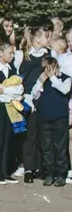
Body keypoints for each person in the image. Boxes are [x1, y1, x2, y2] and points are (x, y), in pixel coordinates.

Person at [18, 26, 52, 182]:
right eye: (47, 37)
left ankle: (40, 167)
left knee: (43, 133)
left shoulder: (49, 55)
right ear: (38, 39)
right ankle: (28, 168)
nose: (49, 40)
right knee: (30, 134)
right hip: (30, 99)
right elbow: (22, 78)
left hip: (45, 98)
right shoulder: (26, 56)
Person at [0, 43, 22, 184]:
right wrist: (11, 92)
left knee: (7, 139)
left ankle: (6, 172)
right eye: (10, 53)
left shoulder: (11, 68)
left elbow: (19, 89)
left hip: (10, 107)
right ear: (0, 53)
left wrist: (8, 91)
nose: (12, 56)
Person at [33, 57, 72, 187]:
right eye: (45, 68)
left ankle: (61, 174)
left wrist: (53, 78)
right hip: (44, 118)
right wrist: (40, 82)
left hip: (60, 118)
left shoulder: (66, 79)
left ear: (56, 67)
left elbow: (64, 90)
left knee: (60, 148)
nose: (47, 71)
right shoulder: (43, 80)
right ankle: (49, 173)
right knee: (46, 148)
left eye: (50, 67)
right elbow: (34, 95)